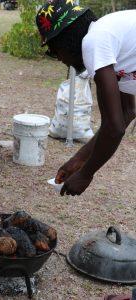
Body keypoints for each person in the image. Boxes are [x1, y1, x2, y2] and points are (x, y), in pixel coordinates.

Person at [36, 0, 136, 198]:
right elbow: (127, 112)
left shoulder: (94, 42)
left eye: (54, 51)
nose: (61, 59)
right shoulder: (108, 36)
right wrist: (78, 159)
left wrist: (86, 174)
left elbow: (114, 127)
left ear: (65, 38)